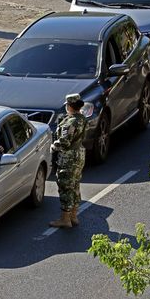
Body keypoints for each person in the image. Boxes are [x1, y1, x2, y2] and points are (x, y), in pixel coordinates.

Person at [49, 94, 87, 228]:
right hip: (79, 154)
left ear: (69, 106)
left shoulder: (71, 122)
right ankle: (73, 216)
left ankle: (65, 219)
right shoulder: (81, 118)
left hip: (69, 157)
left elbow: (64, 141)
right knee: (75, 184)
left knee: (65, 186)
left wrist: (53, 147)